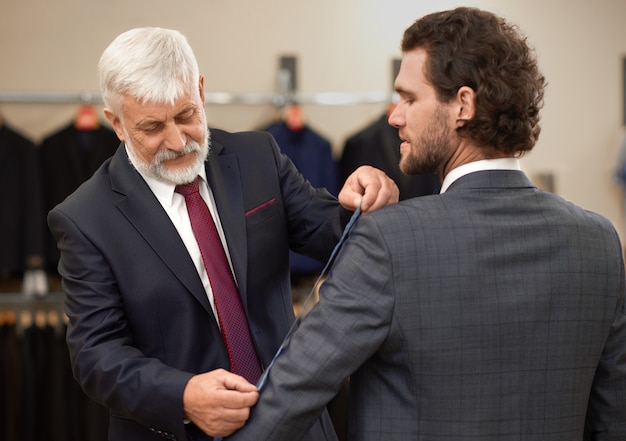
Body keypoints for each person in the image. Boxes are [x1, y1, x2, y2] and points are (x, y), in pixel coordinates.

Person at [226, 7, 626, 441]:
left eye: (410, 99)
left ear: (463, 105)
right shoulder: (601, 241)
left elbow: (284, 404)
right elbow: (613, 419)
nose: (395, 116)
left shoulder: (387, 240)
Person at [47, 27, 399, 441]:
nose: (177, 141)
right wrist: (183, 396)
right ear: (117, 124)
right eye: (152, 127)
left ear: (200, 90)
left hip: (297, 426)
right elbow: (96, 355)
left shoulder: (257, 156)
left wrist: (369, 202)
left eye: (185, 115)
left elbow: (331, 232)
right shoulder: (85, 218)